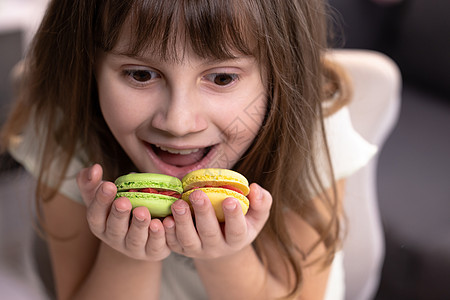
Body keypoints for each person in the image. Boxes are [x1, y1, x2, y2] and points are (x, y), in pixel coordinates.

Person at [1, 0, 377, 299]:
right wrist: (129, 252)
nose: (178, 123)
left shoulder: (310, 130)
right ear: (87, 66)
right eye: (141, 74)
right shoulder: (66, 128)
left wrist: (225, 255)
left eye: (222, 77)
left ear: (283, 75)